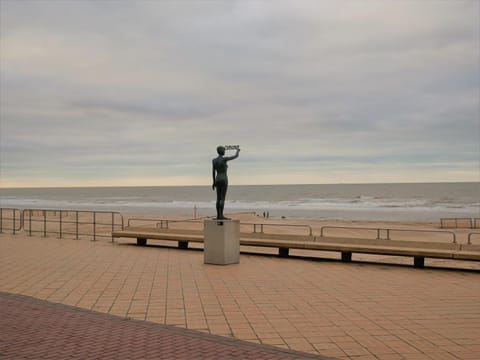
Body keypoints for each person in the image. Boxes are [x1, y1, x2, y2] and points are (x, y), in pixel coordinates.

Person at [212, 146, 240, 220]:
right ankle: (221, 215)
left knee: (218, 198)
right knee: (222, 198)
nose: (224, 151)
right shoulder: (224, 159)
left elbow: (213, 172)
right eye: (224, 150)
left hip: (217, 179)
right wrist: (237, 151)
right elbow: (235, 156)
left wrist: (213, 182)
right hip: (224, 179)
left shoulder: (214, 160)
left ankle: (218, 215)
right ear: (221, 151)